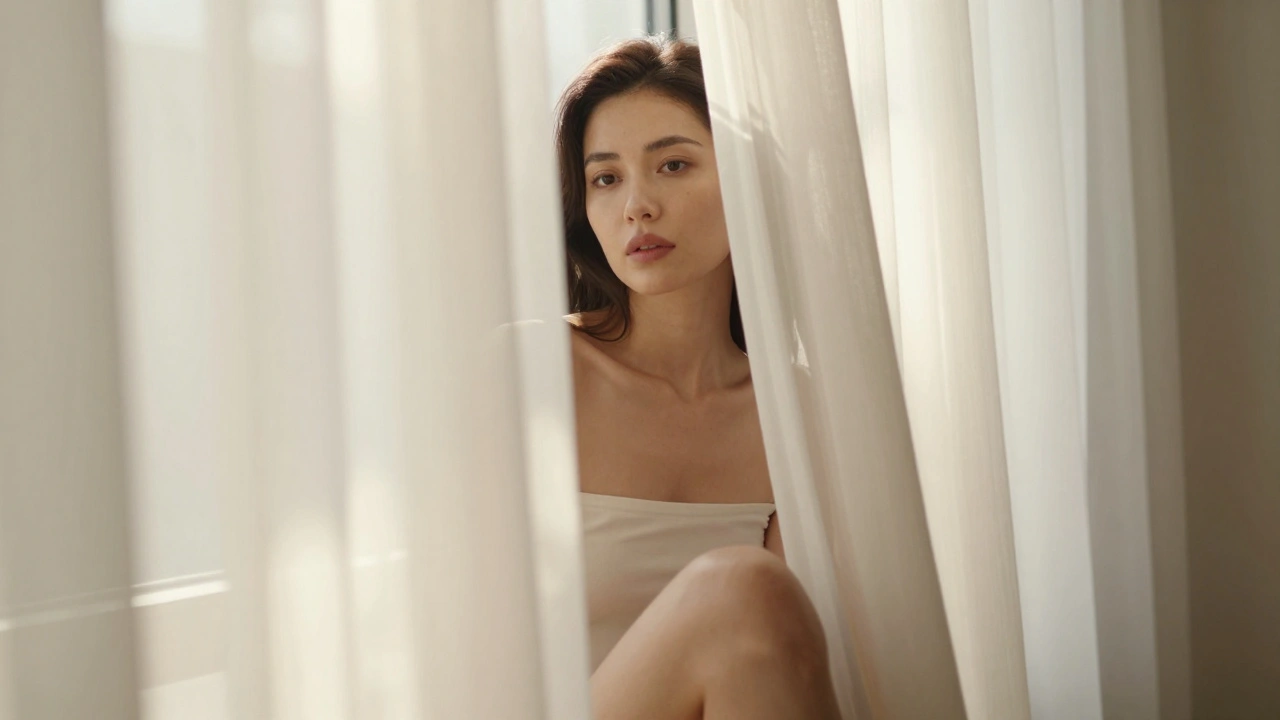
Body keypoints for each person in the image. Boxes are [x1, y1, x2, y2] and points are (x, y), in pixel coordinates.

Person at [555, 35, 843, 719]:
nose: (637, 206)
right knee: (741, 588)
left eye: (674, 164)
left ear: (748, 183)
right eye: (606, 178)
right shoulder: (533, 373)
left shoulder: (798, 412)